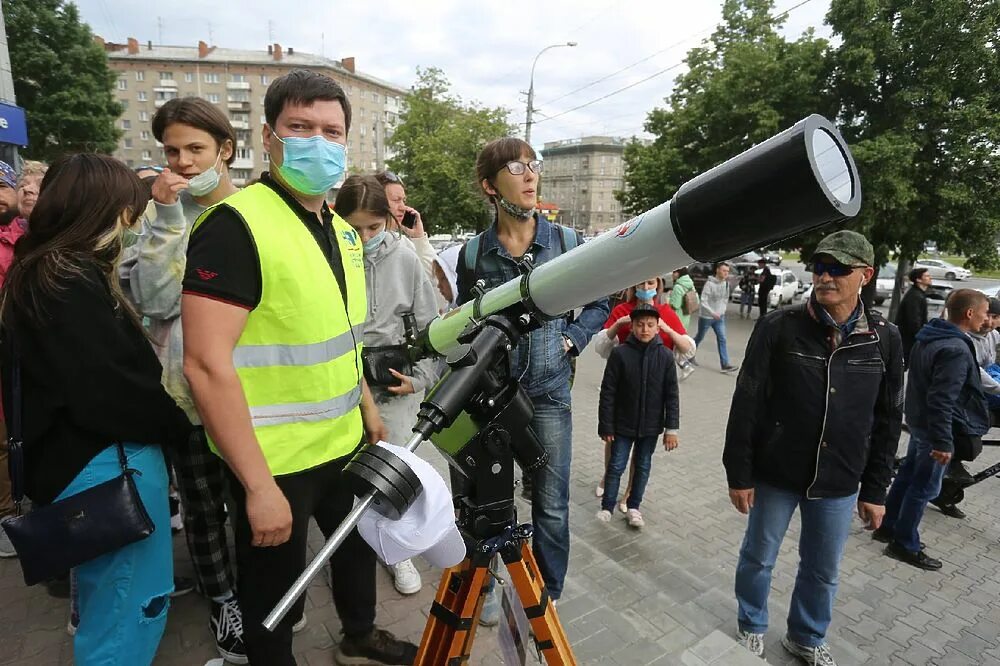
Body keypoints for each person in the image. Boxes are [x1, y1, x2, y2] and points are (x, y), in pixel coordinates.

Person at [181, 68, 416, 666]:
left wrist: (366, 407)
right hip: (274, 460)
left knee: (355, 550)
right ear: (268, 136)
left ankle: (359, 638)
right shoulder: (235, 226)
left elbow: (342, 334)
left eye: (331, 131)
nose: (318, 140)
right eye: (300, 127)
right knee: (275, 594)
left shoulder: (340, 230)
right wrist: (258, 486)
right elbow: (205, 365)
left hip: (343, 442)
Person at [0, 153, 192, 665]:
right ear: (100, 209)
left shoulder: (39, 268)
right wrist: (180, 425)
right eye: (128, 212)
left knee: (109, 600)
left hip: (85, 464)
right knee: (130, 607)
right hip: (107, 466)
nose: (130, 224)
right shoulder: (66, 281)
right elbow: (108, 389)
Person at [723, 230, 903, 664]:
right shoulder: (778, 327)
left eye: (838, 269)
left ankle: (805, 635)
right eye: (820, 267)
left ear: (865, 275)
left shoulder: (886, 338)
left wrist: (876, 491)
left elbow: (889, 420)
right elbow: (747, 402)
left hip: (839, 479)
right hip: (777, 472)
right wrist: (740, 473)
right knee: (758, 558)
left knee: (822, 571)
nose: (825, 277)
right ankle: (751, 625)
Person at [121, 96, 249, 663]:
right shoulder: (156, 218)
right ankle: (223, 599)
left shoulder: (253, 213)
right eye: (173, 151)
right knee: (200, 510)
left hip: (250, 393)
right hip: (184, 397)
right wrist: (169, 219)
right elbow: (152, 298)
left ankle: (259, 591)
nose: (184, 162)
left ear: (225, 149)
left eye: (196, 149)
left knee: (252, 505)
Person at [456, 137, 609, 607]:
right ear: (490, 185)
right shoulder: (473, 254)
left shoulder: (566, 243)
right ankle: (485, 589)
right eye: (516, 167)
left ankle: (548, 597)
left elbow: (601, 301)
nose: (529, 175)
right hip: (491, 398)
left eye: (532, 165)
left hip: (549, 397)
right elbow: (463, 323)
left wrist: (573, 339)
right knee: (489, 503)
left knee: (552, 506)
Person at [334, 174, 440, 597]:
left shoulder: (407, 259)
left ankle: (399, 553)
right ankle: (348, 551)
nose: (363, 237)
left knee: (394, 474)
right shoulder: (330, 256)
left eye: (373, 227)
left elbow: (434, 329)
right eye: (354, 227)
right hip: (342, 385)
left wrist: (420, 380)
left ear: (389, 220)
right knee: (344, 479)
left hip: (394, 388)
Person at [873, 289, 989, 571]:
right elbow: (942, 399)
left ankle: (888, 527)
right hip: (934, 429)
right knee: (924, 486)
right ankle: (904, 543)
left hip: (919, 422)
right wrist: (943, 442)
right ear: (969, 313)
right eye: (985, 313)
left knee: (908, 475)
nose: (987, 320)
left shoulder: (931, 335)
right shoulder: (955, 349)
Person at [593, 277, 693, 503]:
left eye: (650, 284)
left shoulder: (664, 312)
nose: (646, 289)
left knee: (642, 452)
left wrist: (666, 328)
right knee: (614, 444)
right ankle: (608, 479)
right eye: (641, 284)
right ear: (633, 287)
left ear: (657, 286)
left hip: (652, 393)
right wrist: (619, 325)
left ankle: (630, 493)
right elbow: (601, 347)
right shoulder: (622, 310)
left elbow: (687, 349)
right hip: (623, 389)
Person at [597, 304, 680, 529]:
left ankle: (634, 507)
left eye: (650, 325)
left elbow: (672, 395)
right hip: (622, 424)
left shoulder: (664, 356)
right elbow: (608, 391)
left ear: (657, 328)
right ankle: (607, 506)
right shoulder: (620, 353)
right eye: (640, 324)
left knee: (642, 466)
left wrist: (671, 429)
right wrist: (605, 425)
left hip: (651, 427)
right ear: (632, 326)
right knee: (616, 465)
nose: (645, 329)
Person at [375, 170, 436, 277]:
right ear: (377, 202)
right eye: (396, 200)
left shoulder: (403, 244)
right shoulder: (366, 243)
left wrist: (419, 238)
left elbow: (435, 279)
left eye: (404, 200)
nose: (403, 207)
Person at [693, 262, 738, 373]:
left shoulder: (726, 284)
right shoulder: (709, 284)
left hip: (719, 317)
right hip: (706, 317)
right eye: (724, 271)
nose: (726, 273)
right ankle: (688, 353)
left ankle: (725, 364)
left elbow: (725, 299)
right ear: (717, 270)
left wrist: (722, 311)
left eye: (727, 271)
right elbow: (703, 301)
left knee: (722, 338)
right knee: (699, 337)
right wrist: (712, 312)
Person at [895, 267, 932, 368]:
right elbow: (914, 321)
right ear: (918, 280)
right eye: (927, 276)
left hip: (910, 339)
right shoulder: (915, 296)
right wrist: (922, 337)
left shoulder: (918, 294)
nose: (930, 278)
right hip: (908, 339)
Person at [668, 267, 697, 331]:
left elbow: (675, 305)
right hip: (686, 315)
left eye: (674, 272)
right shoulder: (691, 284)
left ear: (679, 273)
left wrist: (668, 298)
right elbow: (696, 298)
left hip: (678, 317)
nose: (672, 274)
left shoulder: (677, 287)